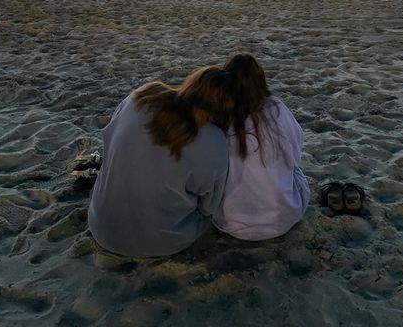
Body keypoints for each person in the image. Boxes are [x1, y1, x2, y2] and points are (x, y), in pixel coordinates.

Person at [88, 66, 235, 257]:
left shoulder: (140, 97)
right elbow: (208, 207)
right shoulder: (215, 140)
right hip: (166, 243)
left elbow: (108, 145)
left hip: (102, 228)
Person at [212, 54, 310, 240]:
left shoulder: (221, 116)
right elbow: (295, 155)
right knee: (296, 173)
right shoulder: (276, 109)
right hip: (283, 218)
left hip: (232, 223)